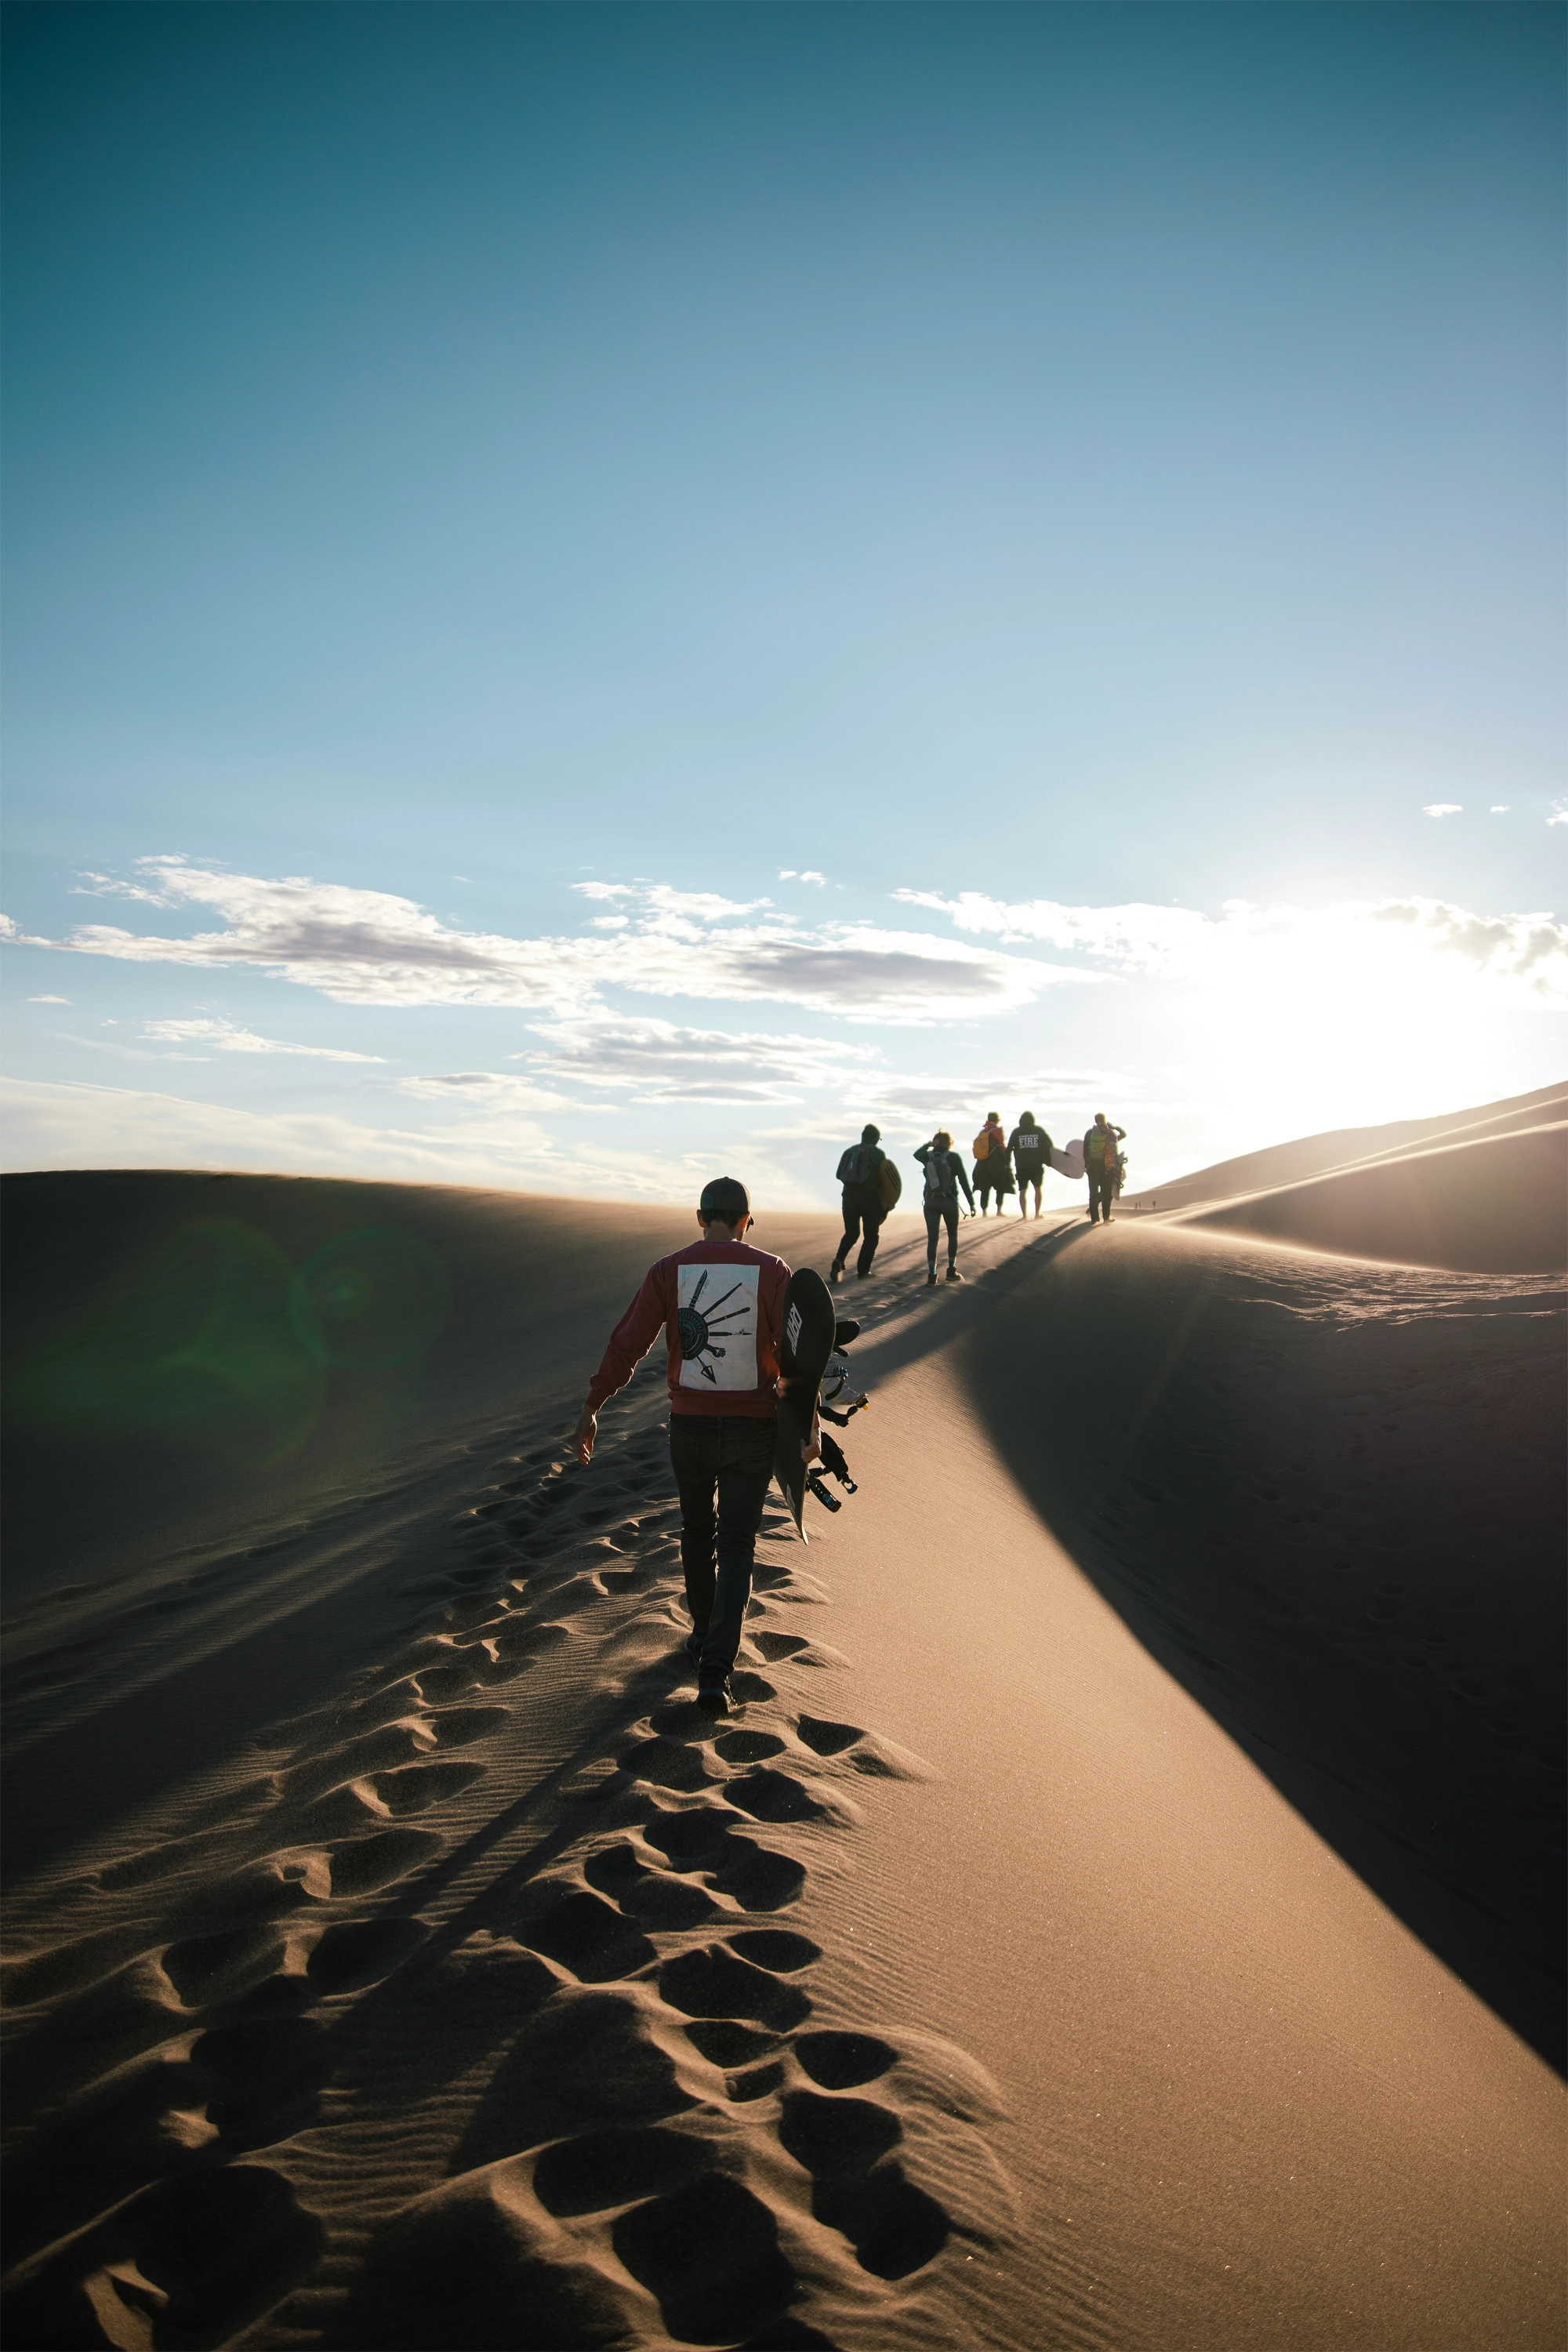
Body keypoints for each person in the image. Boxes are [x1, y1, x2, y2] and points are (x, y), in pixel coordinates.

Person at [571, 1177, 818, 1718]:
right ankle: (716, 1670)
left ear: (700, 1217)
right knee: (736, 1544)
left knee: (697, 1532)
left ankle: (702, 1636)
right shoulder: (772, 1271)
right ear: (747, 1220)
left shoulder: (668, 1270)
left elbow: (628, 1344)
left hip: (689, 1431)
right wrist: (809, 1426)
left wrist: (594, 1405)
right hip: (754, 1432)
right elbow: (801, 1360)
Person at [914, 1130, 975, 1283]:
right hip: (949, 1201)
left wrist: (928, 1145)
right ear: (950, 1143)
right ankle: (951, 1271)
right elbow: (963, 1181)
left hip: (931, 1202)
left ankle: (932, 1275)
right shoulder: (953, 1157)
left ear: (935, 1142)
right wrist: (971, 1203)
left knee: (933, 1239)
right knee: (952, 1236)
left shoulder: (927, 1156)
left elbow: (916, 1154)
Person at [831, 1123, 887, 1283]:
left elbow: (838, 1174)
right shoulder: (877, 1153)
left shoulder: (849, 1151)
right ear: (876, 1139)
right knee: (871, 1236)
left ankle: (839, 1260)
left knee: (851, 1233)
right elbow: (886, 1179)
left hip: (848, 1196)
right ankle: (863, 1270)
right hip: (869, 1197)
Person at [1007, 1109, 1054, 1220]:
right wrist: (1047, 1159)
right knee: (1038, 1189)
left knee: (1023, 1190)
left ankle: (1024, 1216)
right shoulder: (1039, 1130)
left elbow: (1009, 1148)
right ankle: (1037, 1214)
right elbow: (1050, 1145)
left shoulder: (1017, 1132)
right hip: (1037, 1165)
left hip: (1021, 1165)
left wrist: (1006, 1163)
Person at [1083, 1112, 1127, 1225]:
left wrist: (1087, 1165)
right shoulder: (1111, 1133)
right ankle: (1106, 1218)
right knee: (1106, 1193)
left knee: (1093, 1193)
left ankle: (1094, 1218)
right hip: (1108, 1168)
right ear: (1105, 1120)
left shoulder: (1090, 1133)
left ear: (1095, 1121)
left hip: (1093, 1167)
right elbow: (1123, 1135)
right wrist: (1115, 1128)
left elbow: (1085, 1152)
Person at [971, 1110, 1011, 1215]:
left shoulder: (982, 1132)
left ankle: (984, 1212)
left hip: (982, 1165)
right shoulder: (997, 1131)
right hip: (996, 1166)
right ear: (997, 1120)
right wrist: (1007, 1163)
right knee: (1000, 1187)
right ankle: (999, 1211)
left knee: (984, 1189)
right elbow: (1002, 1148)